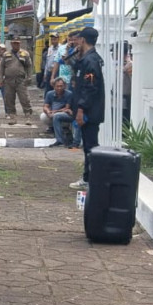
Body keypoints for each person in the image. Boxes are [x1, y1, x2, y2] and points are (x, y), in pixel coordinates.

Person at [68, 27, 104, 190]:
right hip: (87, 109)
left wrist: (81, 109)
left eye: (78, 39)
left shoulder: (91, 61)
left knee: (90, 146)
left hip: (89, 111)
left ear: (83, 40)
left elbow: (90, 88)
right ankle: (89, 177)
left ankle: (91, 179)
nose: (76, 42)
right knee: (88, 146)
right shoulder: (86, 59)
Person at [0, 37, 34, 125]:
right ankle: (12, 116)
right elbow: (1, 66)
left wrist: (29, 77)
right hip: (8, 80)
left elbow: (29, 66)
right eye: (14, 43)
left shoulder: (25, 54)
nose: (16, 44)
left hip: (21, 80)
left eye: (17, 43)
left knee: (24, 98)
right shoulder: (6, 54)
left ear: (20, 43)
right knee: (9, 99)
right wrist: (0, 77)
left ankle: (28, 116)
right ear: (11, 44)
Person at [42, 78, 74, 147]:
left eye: (61, 86)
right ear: (54, 86)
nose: (59, 88)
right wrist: (48, 112)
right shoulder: (50, 94)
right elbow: (45, 106)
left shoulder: (69, 94)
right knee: (43, 116)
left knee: (57, 116)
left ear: (65, 86)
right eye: (57, 86)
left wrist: (54, 112)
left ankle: (59, 140)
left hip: (65, 114)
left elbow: (67, 108)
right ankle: (54, 128)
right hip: (54, 114)